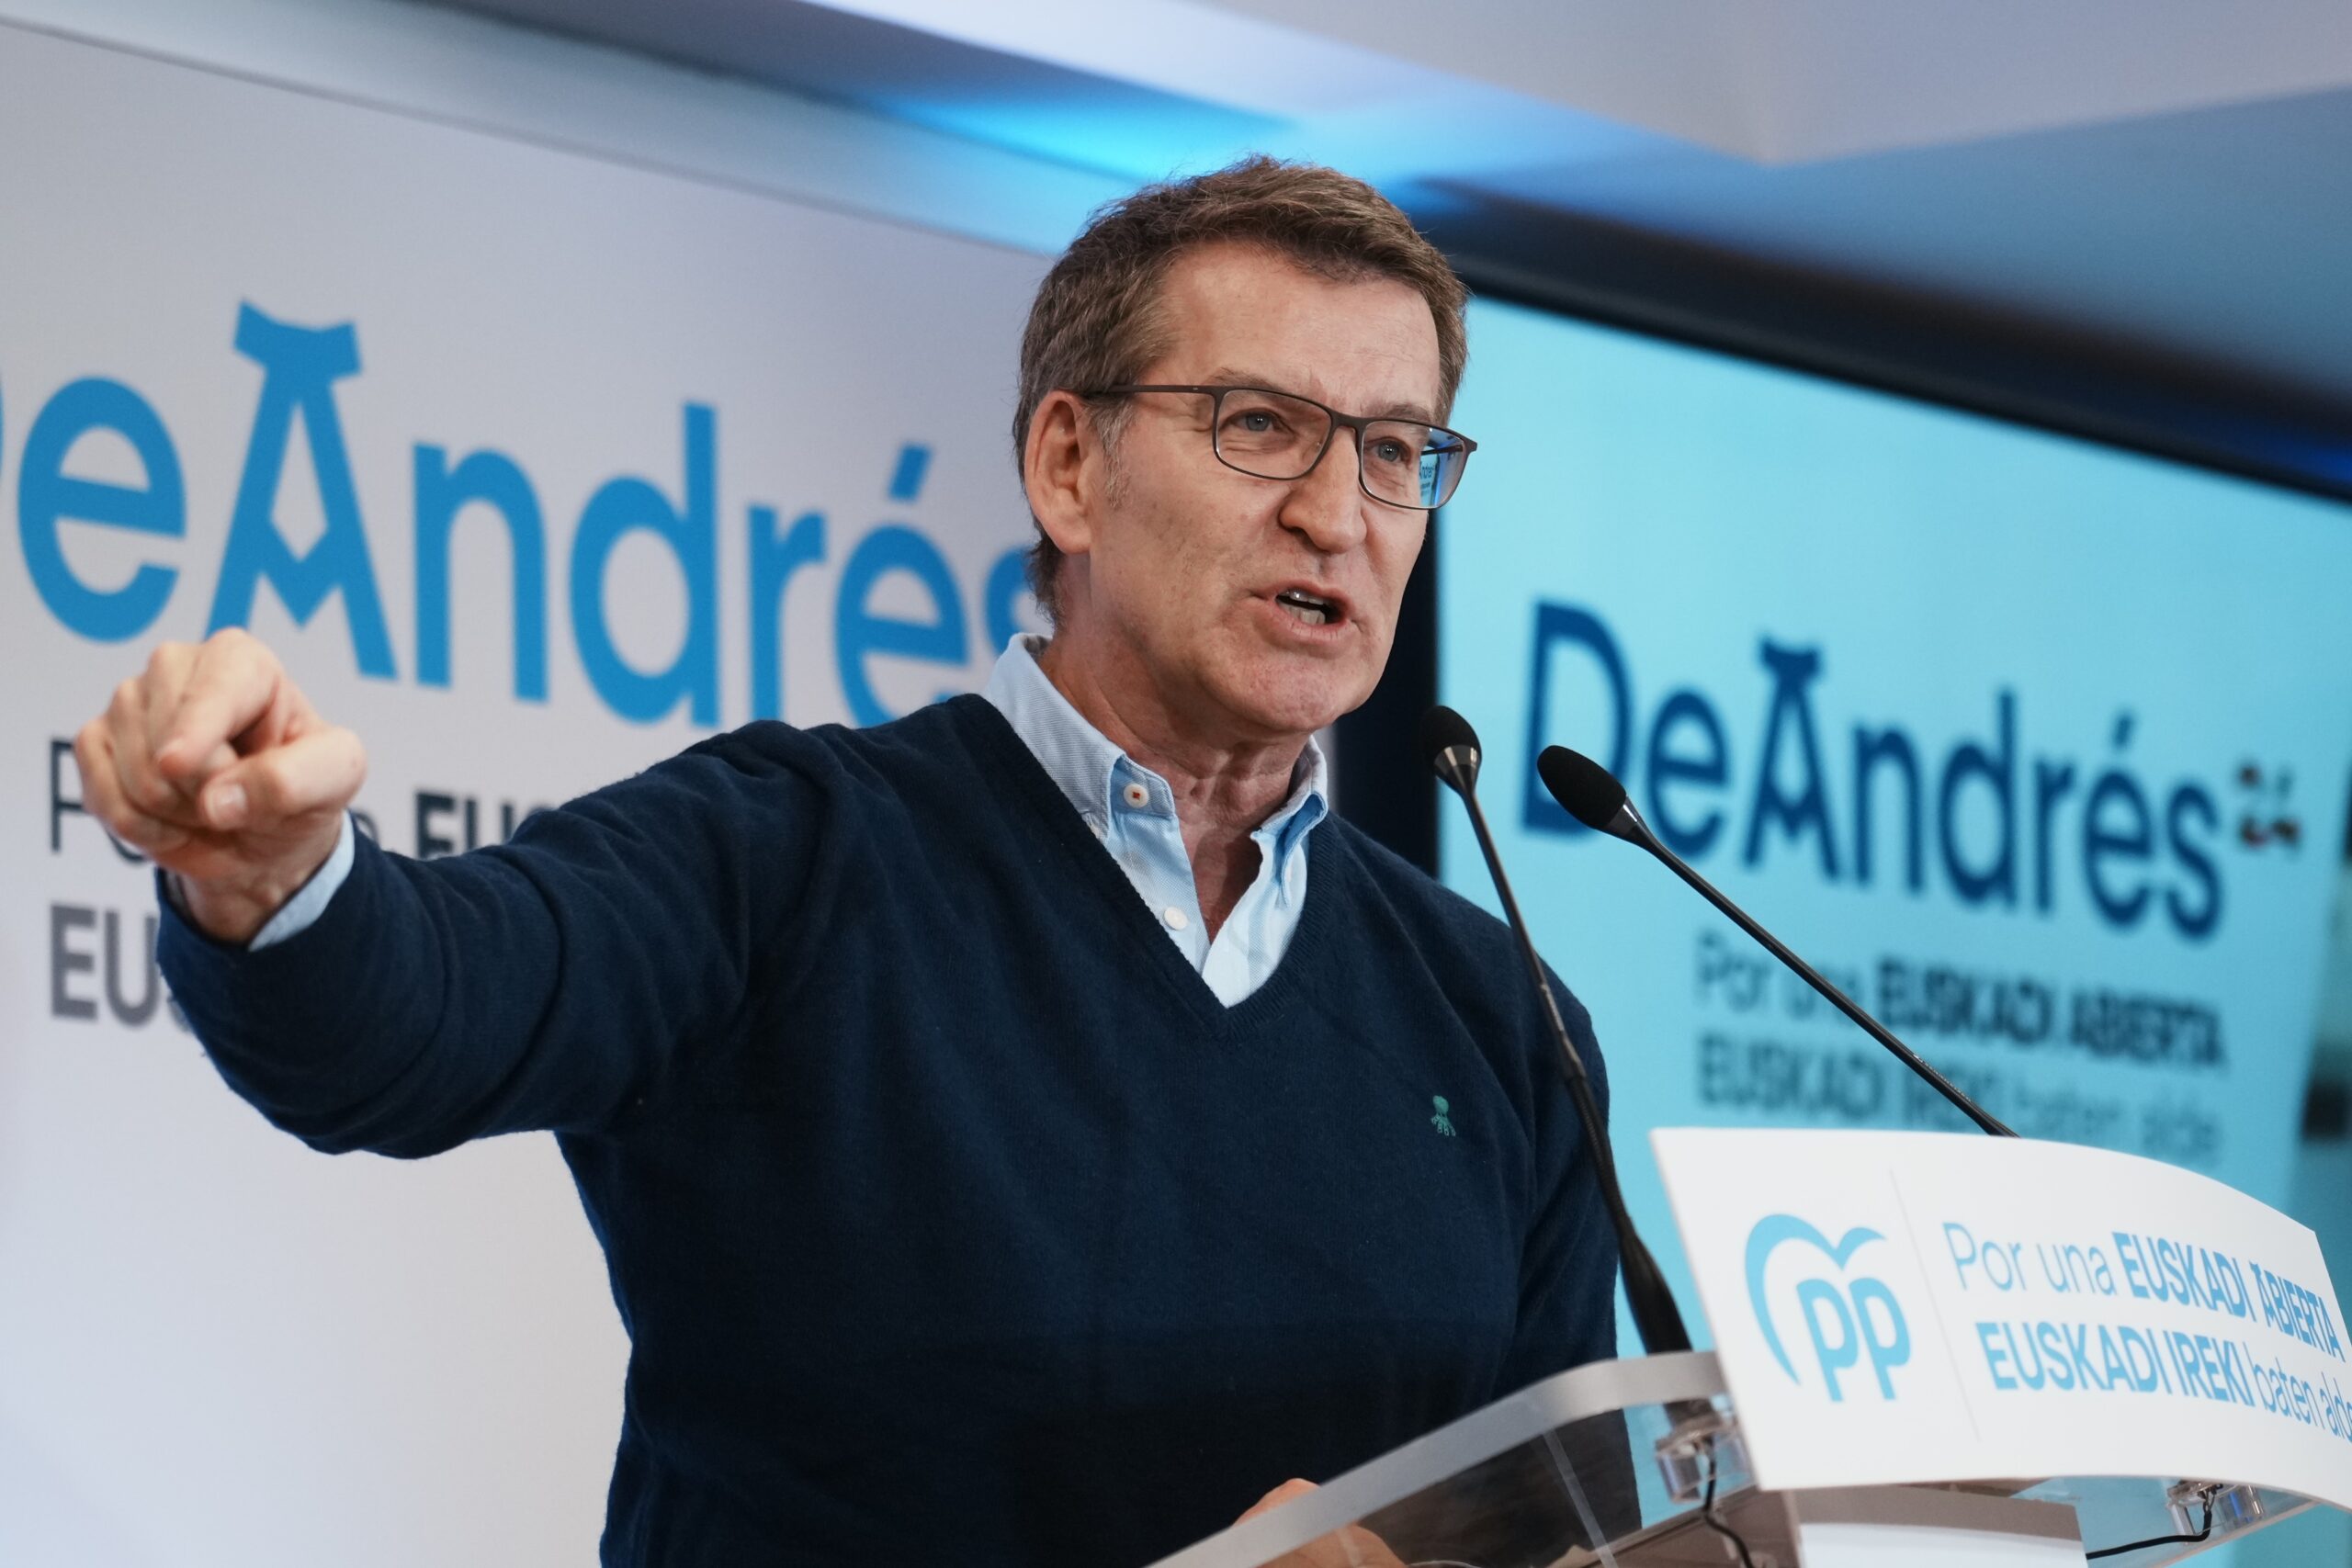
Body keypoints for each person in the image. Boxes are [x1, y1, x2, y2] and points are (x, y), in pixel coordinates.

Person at [74, 157, 1620, 1567]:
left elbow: (1570, 1525)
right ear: (1068, 466)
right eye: (1260, 426)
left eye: (1397, 451)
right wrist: (271, 876)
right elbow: (413, 1012)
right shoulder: (785, 859)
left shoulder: (1503, 1021)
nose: (1338, 515)